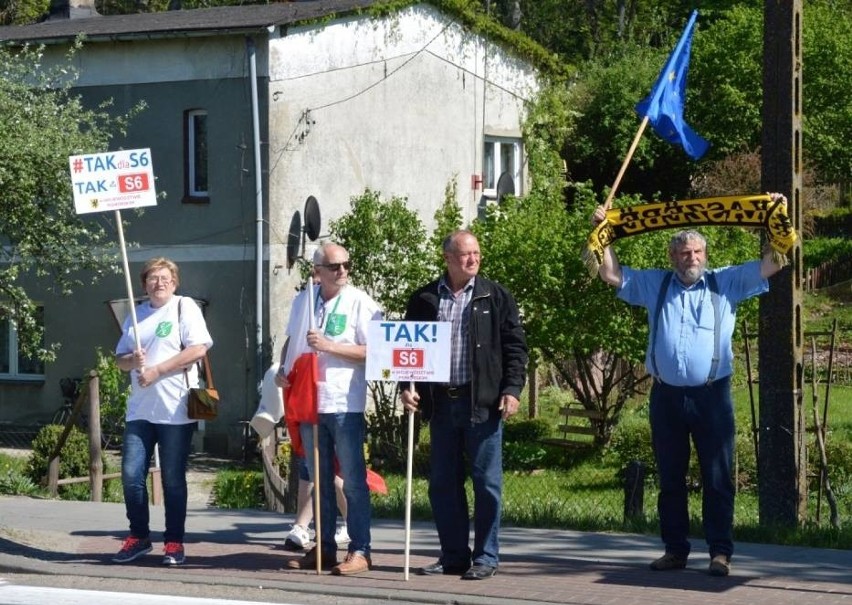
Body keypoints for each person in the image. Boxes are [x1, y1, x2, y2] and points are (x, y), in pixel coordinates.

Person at [590, 196, 787, 577]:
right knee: (670, 478)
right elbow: (611, 274)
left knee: (717, 476)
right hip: (666, 396)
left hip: (712, 396)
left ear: (705, 254)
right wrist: (603, 232)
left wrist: (777, 218)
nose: (690, 258)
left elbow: (774, 261)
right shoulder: (654, 284)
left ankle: (720, 552)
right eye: (683, 253)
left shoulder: (726, 280)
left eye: (696, 251)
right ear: (672, 256)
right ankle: (675, 550)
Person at [400, 230, 528, 580]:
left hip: (482, 403)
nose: (472, 259)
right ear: (447, 258)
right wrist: (406, 389)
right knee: (443, 483)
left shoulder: (496, 296)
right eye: (464, 254)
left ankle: (485, 556)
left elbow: (516, 348)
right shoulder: (425, 299)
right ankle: (454, 555)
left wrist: (513, 390)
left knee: (487, 483)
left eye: (476, 253)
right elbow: (406, 352)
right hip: (440, 404)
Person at [283, 243, 382, 575]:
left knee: (352, 480)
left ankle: (361, 550)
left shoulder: (360, 302)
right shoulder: (304, 301)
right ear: (318, 270)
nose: (342, 270)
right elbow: (291, 340)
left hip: (343, 403)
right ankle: (324, 548)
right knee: (319, 481)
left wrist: (329, 346)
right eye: (334, 266)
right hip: (310, 400)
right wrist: (284, 370)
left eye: (345, 265)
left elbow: (375, 350)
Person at [112, 257, 213, 566]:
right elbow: (119, 359)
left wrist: (156, 370)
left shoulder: (185, 307)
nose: (159, 283)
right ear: (144, 284)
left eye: (165, 278)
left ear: (175, 282)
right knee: (131, 475)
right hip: (140, 410)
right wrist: (132, 359)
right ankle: (139, 536)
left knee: (172, 480)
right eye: (153, 278)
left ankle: (173, 542)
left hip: (175, 410)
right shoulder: (136, 313)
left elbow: (198, 349)